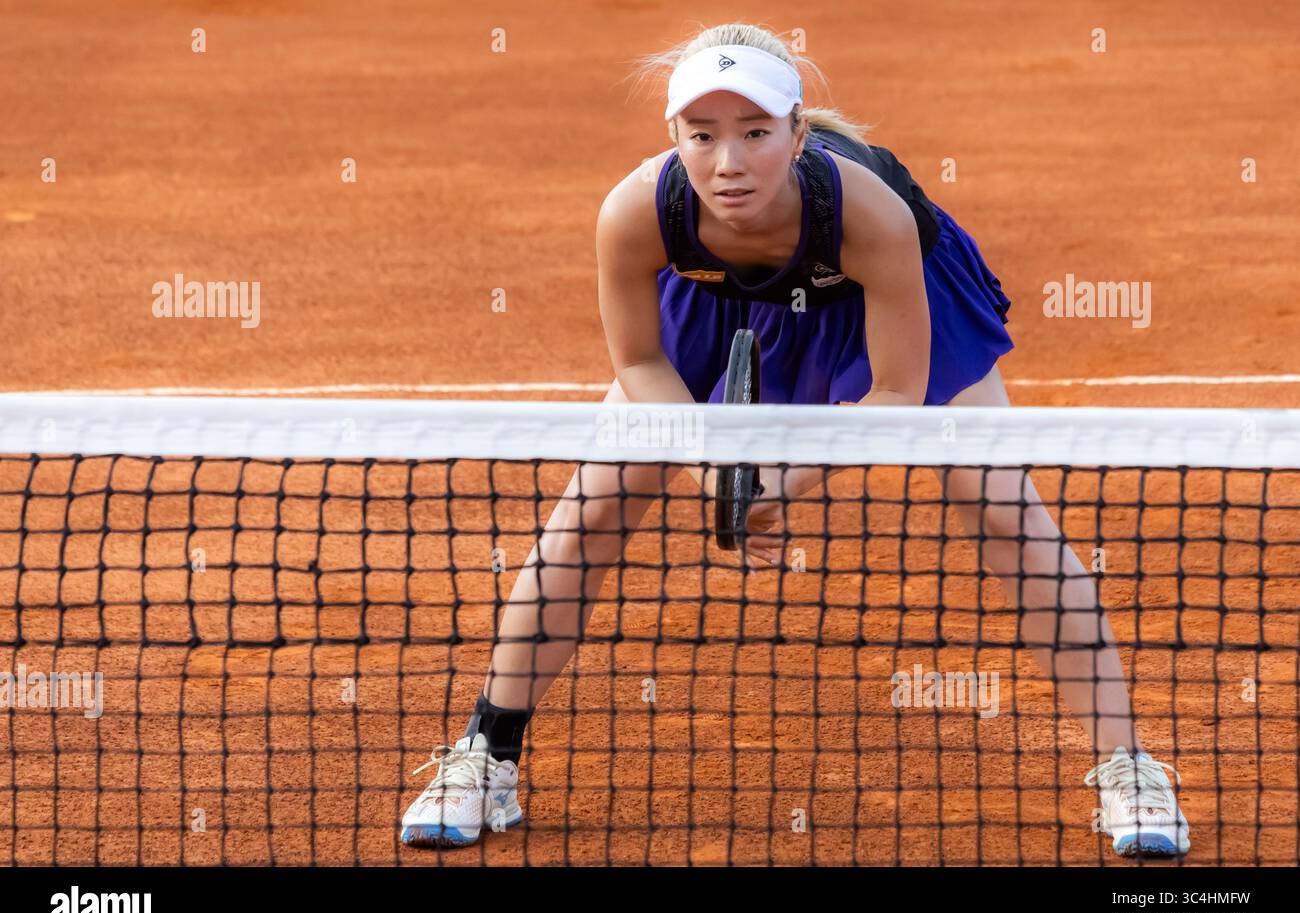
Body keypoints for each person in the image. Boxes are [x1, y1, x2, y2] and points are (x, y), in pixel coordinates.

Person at [400, 22, 1190, 859]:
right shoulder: (636, 211)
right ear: (674, 137)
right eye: (701, 136)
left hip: (875, 311)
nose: (728, 163)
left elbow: (895, 391)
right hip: (717, 310)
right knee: (591, 510)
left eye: (754, 134)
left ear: (797, 133)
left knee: (1003, 510)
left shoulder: (870, 213)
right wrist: (713, 467)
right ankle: (485, 754)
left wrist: (782, 480)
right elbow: (638, 360)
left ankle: (1129, 766)